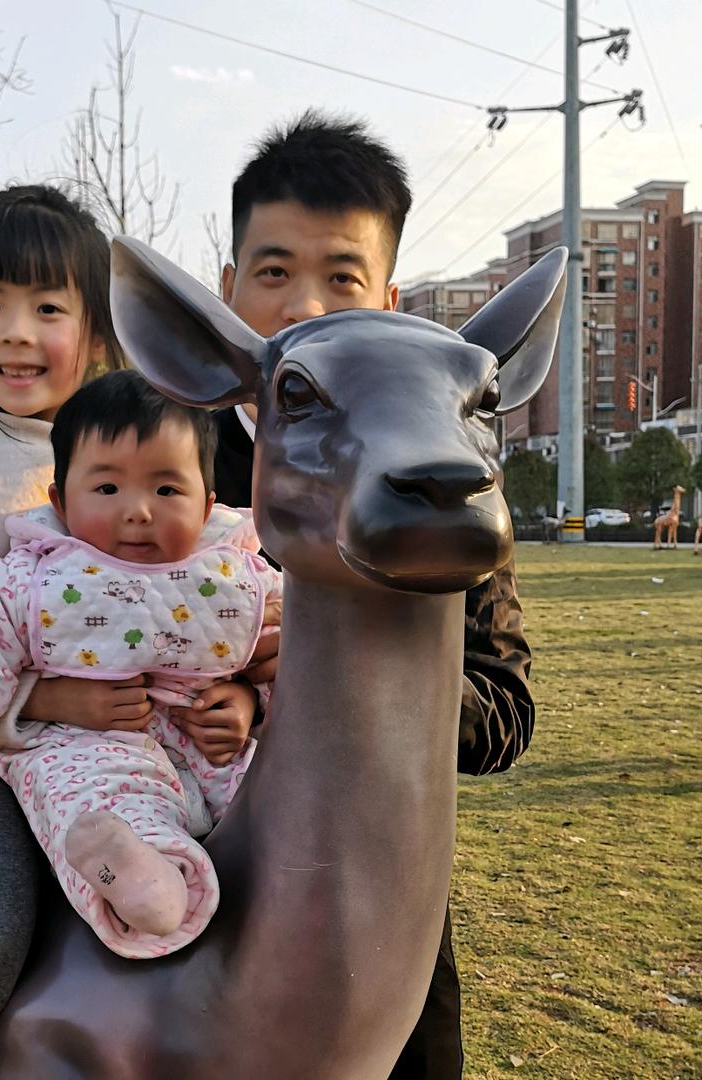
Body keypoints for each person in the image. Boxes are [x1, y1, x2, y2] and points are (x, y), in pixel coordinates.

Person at [0, 186, 262, 1080]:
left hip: (139, 750)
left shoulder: (161, 449)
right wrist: (46, 699)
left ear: (100, 333)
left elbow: (223, 609)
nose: (16, 333)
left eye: (48, 307)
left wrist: (241, 697)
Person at [212, 111, 536, 1080]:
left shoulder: (443, 486)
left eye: (342, 276)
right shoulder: (154, 469)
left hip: (378, 930)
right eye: (273, 272)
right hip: (187, 897)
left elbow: (507, 712)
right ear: (225, 291)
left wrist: (375, 687)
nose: (306, 302)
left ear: (389, 298)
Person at [0, 371, 280, 960]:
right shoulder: (32, 579)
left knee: (276, 799)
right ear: (59, 500)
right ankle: (144, 881)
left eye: (167, 491)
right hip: (86, 745)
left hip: (208, 744)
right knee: (97, 799)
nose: (138, 512)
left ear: (208, 503)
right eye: (107, 489)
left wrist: (252, 701)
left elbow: (304, 660)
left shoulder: (239, 577)